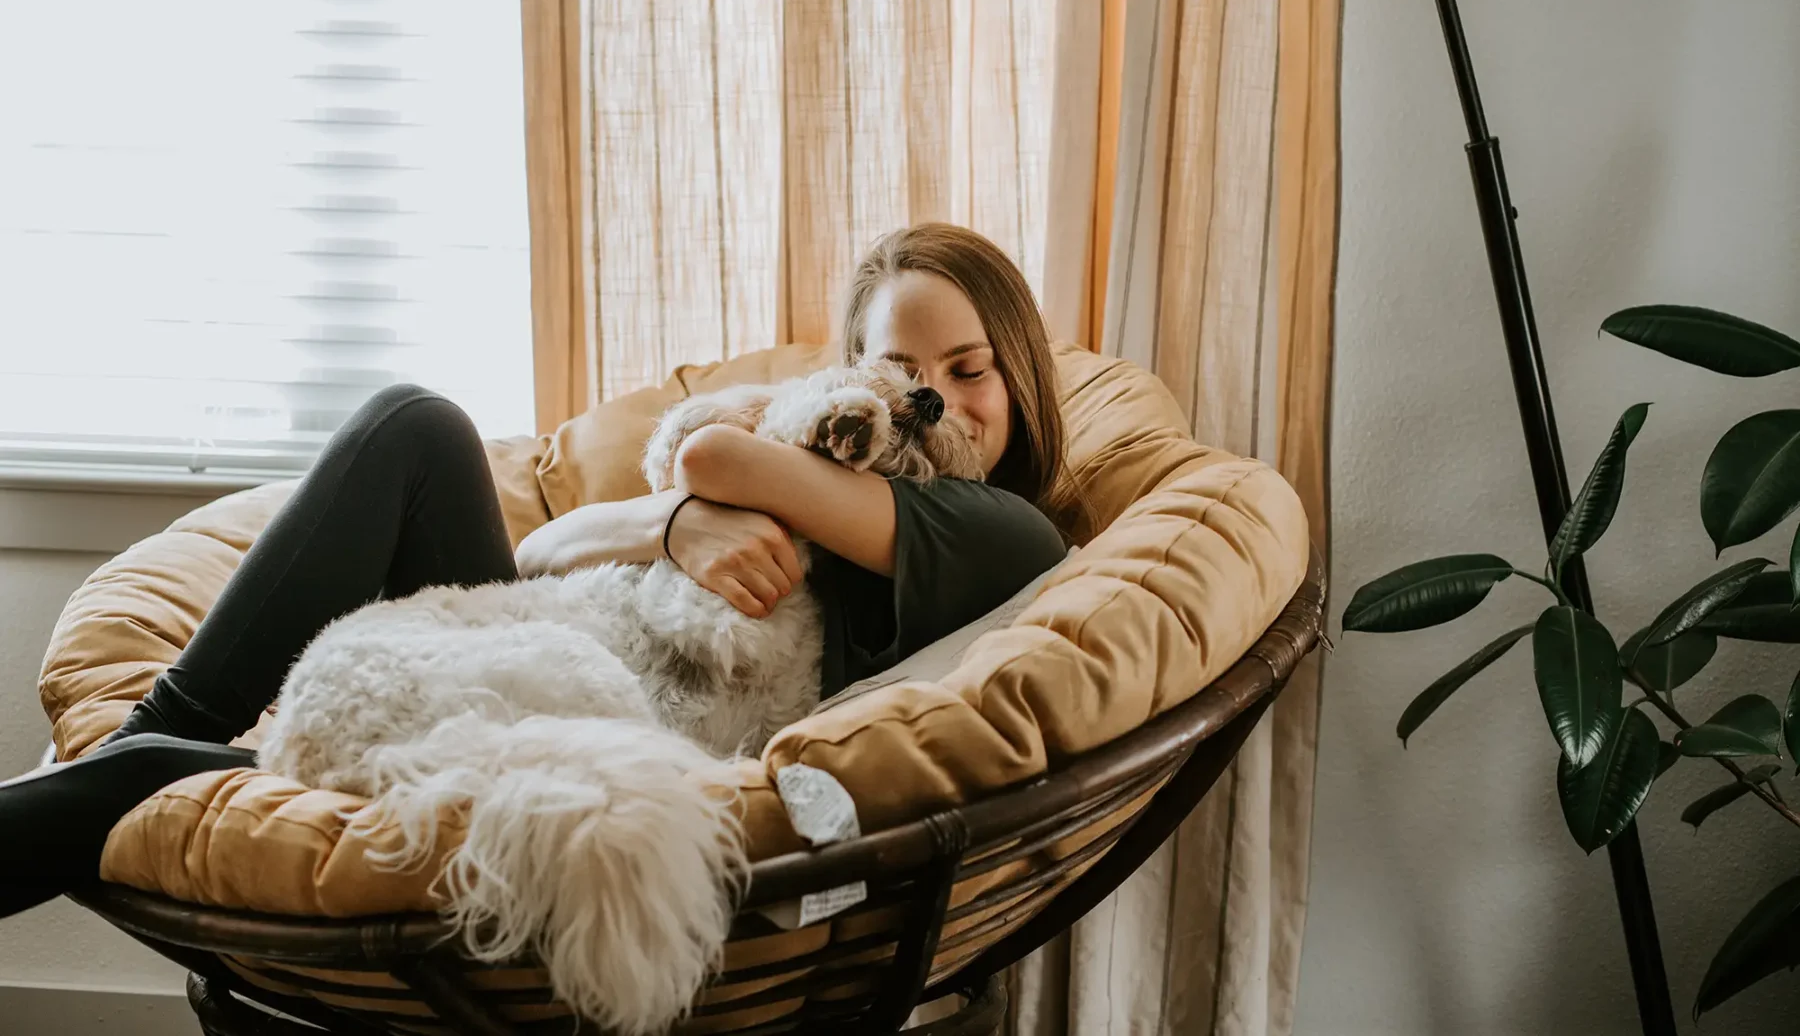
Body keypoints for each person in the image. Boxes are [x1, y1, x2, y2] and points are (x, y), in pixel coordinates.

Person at [0, 222, 1080, 918]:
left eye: (968, 369)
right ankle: (164, 730)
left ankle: (146, 768)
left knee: (157, 776)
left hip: (628, 722)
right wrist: (674, 530)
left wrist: (702, 493)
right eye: (897, 369)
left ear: (1018, 373)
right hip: (567, 641)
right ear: (853, 375)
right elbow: (536, 555)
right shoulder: (822, 457)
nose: (935, 398)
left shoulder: (1000, 530)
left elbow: (712, 453)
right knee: (416, 428)